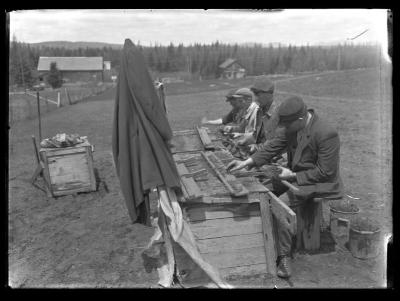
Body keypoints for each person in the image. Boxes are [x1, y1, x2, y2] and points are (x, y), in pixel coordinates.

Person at [227, 95, 344, 279]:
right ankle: (262, 237)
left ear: (300, 119)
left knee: (280, 205)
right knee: (262, 188)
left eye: (287, 125)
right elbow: (273, 146)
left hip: (320, 182)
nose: (284, 128)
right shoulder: (293, 126)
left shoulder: (326, 133)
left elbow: (326, 172)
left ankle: (284, 257)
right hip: (295, 175)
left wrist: (293, 175)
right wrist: (247, 162)